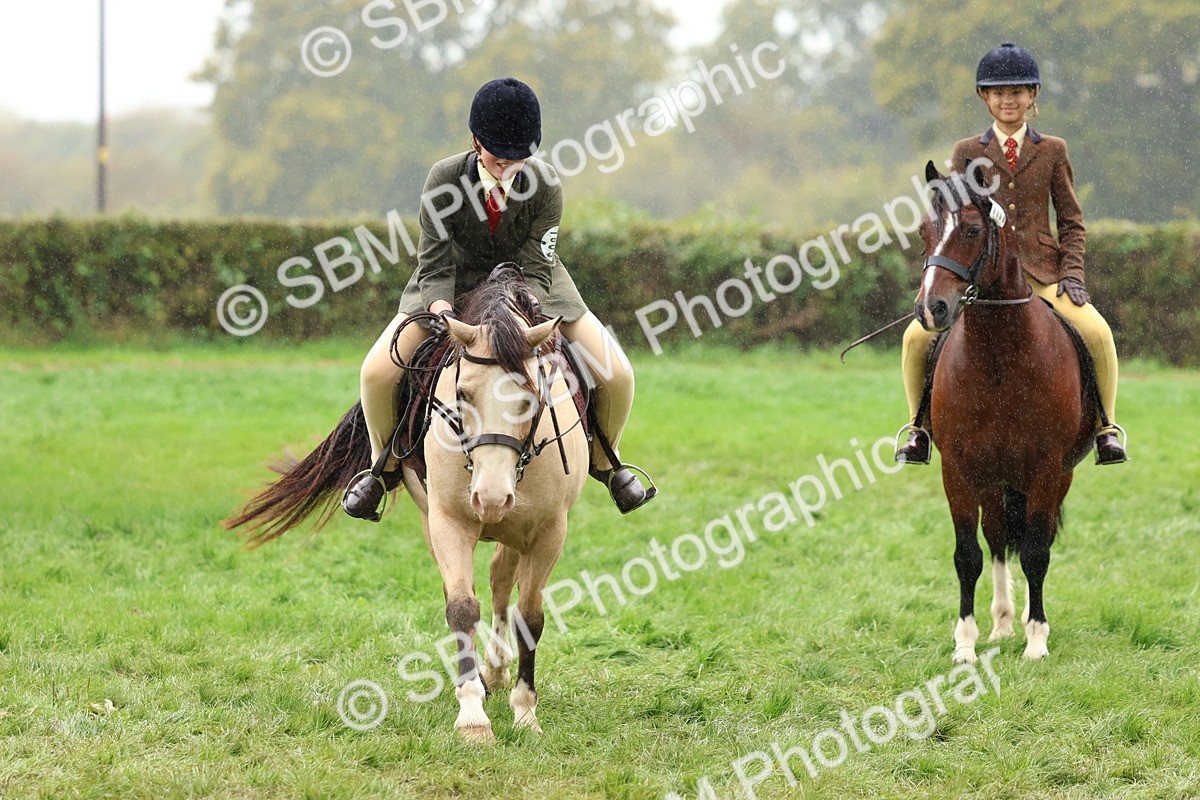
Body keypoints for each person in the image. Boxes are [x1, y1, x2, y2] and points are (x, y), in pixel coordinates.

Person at [343, 77, 657, 520]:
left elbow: (537, 263)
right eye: (497, 157)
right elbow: (433, 262)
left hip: (535, 289)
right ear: (475, 141)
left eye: (518, 158)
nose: (508, 167)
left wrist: (520, 312)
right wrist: (441, 310)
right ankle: (381, 468)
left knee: (619, 372)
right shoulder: (443, 179)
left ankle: (608, 463)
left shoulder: (546, 184)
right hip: (449, 287)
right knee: (375, 371)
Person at [896, 43, 1127, 466]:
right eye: (998, 92)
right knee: (915, 338)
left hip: (1044, 274)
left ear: (1033, 95)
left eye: (1017, 91)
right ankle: (918, 428)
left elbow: (1072, 221)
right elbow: (953, 220)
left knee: (1097, 333)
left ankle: (1106, 428)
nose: (1008, 99)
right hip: (987, 280)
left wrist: (1072, 274)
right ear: (984, 98)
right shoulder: (967, 150)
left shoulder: (1053, 149)